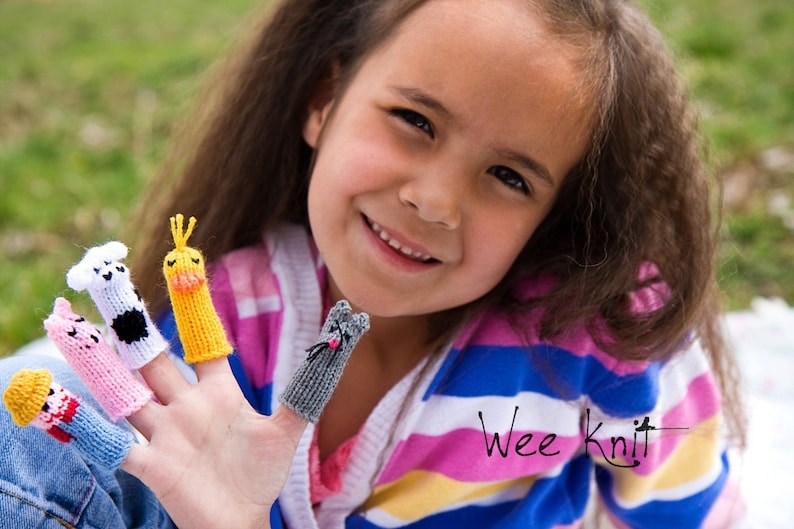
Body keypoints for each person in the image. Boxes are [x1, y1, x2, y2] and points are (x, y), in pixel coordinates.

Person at [0, 0, 747, 527]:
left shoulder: (601, 336)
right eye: (414, 122)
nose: (434, 200)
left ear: (555, 214)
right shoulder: (225, 311)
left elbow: (687, 511)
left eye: (511, 177)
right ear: (325, 101)